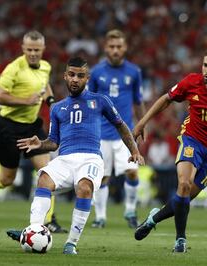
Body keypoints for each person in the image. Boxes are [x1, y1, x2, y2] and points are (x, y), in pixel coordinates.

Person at [6, 57, 144, 254]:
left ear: (87, 78)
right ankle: (34, 230)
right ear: (65, 76)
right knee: (44, 179)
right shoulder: (57, 108)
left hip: (91, 158)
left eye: (80, 76)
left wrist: (134, 151)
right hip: (65, 159)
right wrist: (39, 144)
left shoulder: (100, 101)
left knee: (84, 187)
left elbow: (121, 125)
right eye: (71, 75)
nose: (75, 79)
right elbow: (54, 142)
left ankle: (71, 243)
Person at [132, 46, 207, 253]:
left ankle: (154, 218)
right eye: (205, 65)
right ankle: (180, 239)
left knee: (184, 197)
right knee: (184, 184)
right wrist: (142, 122)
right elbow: (166, 99)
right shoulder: (191, 81)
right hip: (192, 141)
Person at [0, 30, 66, 233]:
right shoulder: (13, 69)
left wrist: (52, 102)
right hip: (9, 126)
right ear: (23, 49)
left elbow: (44, 86)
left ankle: (47, 222)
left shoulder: (45, 67)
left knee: (48, 173)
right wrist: (25, 100)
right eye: (29, 50)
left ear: (43, 49)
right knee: (6, 178)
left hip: (32, 126)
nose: (33, 54)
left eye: (37, 50)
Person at [87, 29, 146, 228]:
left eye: (119, 47)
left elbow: (138, 102)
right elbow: (89, 102)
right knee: (102, 177)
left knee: (132, 172)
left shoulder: (134, 72)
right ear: (105, 48)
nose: (115, 50)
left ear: (125, 47)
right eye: (111, 47)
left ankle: (130, 211)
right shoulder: (96, 72)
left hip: (125, 134)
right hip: (101, 134)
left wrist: (142, 122)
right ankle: (100, 217)